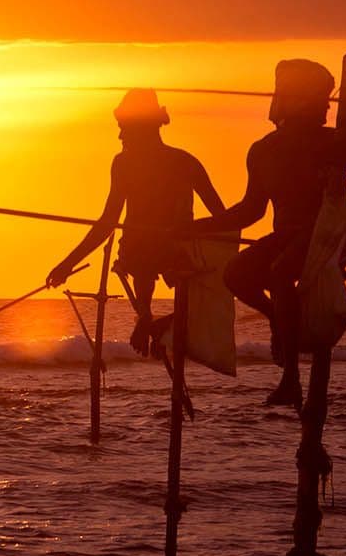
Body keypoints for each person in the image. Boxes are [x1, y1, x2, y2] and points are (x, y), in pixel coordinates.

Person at [189, 60, 346, 405]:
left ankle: (291, 378)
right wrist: (199, 225)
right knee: (237, 274)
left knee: (281, 271)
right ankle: (276, 318)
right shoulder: (265, 149)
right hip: (287, 236)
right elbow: (251, 210)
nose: (327, 108)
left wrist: (331, 146)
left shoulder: (330, 139)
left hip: (326, 235)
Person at [47, 88, 226, 356]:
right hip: (153, 252)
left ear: (141, 127)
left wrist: (66, 264)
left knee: (148, 254)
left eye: (124, 128)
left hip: (165, 252)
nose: (120, 136)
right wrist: (67, 264)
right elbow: (222, 217)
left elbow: (107, 223)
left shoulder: (129, 163)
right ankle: (157, 317)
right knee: (146, 251)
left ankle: (148, 316)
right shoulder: (181, 161)